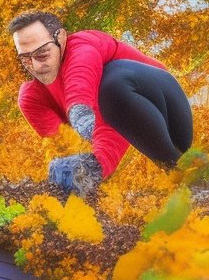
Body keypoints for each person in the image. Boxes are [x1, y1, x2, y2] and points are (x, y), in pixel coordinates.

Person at [10, 11, 193, 196]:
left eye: (42, 55)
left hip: (165, 106)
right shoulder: (33, 97)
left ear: (62, 39)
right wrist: (79, 172)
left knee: (112, 81)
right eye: (25, 58)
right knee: (74, 169)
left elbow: (81, 79)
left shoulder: (82, 46)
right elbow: (66, 144)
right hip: (125, 125)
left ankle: (182, 172)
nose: (36, 66)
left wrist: (79, 114)